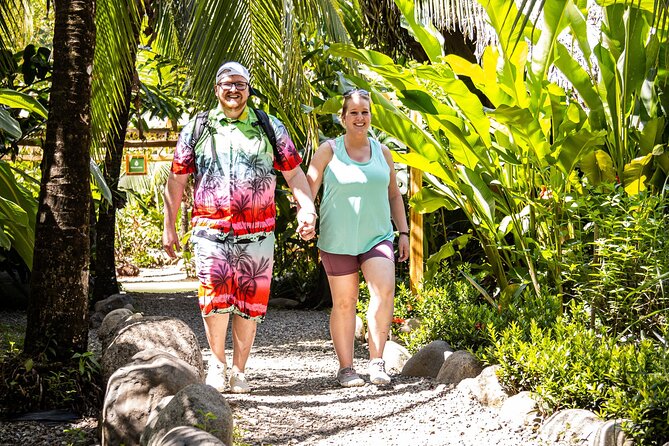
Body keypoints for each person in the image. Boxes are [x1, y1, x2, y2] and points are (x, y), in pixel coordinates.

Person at [162, 61, 316, 394]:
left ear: (249, 89)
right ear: (217, 89)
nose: (234, 90)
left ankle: (239, 371)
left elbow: (293, 173)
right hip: (210, 230)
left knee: (251, 302)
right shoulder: (197, 128)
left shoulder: (268, 126)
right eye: (227, 84)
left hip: (258, 232)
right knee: (214, 298)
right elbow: (176, 179)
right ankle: (217, 364)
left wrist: (308, 208)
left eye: (240, 84)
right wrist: (168, 226)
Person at [306, 89, 409, 387]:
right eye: (353, 112)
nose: (360, 117)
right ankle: (346, 367)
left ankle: (377, 362)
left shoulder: (382, 152)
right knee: (344, 302)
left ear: (370, 116)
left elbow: (393, 194)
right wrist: (307, 217)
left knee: (384, 292)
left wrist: (402, 232)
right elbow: (308, 191)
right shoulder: (329, 150)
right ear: (343, 118)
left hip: (377, 236)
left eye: (365, 112)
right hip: (338, 240)